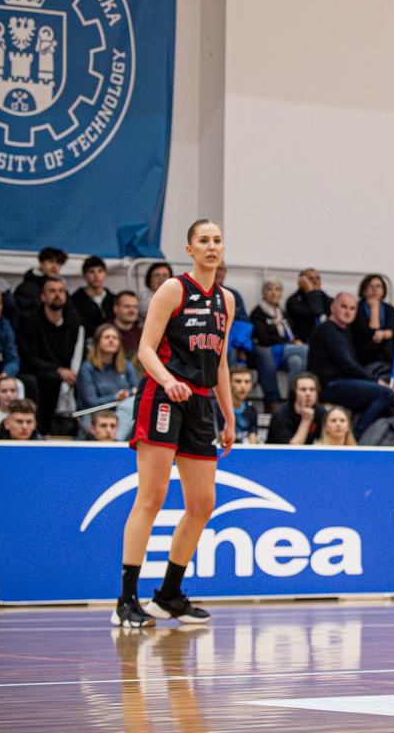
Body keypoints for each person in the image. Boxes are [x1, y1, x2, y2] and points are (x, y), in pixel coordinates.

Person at [116, 220, 237, 629]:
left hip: (201, 403)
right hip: (163, 396)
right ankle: (126, 600)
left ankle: (168, 595)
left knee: (202, 505)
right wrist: (168, 380)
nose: (212, 246)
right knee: (151, 498)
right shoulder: (173, 289)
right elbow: (145, 349)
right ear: (190, 249)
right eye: (204, 240)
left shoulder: (226, 300)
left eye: (217, 240)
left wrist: (229, 415)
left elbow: (220, 363)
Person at [307, 294, 394, 439]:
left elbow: (355, 361)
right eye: (343, 307)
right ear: (332, 308)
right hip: (329, 385)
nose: (348, 312)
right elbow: (349, 365)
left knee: (390, 397)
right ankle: (354, 438)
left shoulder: (344, 331)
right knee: (386, 393)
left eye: (352, 308)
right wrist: (377, 382)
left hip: (340, 383)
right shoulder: (328, 330)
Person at [17, 276, 83, 435]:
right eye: (52, 291)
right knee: (50, 379)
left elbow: (77, 352)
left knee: (83, 378)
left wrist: (71, 372)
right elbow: (29, 357)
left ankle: (78, 430)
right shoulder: (31, 320)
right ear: (43, 297)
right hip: (37, 371)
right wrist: (58, 370)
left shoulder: (73, 321)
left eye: (61, 291)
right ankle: (43, 431)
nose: (57, 295)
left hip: (66, 372)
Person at [248, 277, 309, 408]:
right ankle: (274, 401)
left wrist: (292, 341)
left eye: (277, 289)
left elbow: (291, 332)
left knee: (296, 361)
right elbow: (264, 338)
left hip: (283, 349)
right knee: (304, 349)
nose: (274, 293)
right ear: (263, 292)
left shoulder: (282, 312)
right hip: (267, 349)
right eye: (270, 289)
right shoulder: (258, 312)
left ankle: (294, 400)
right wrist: (290, 342)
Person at [76, 323, 141, 440]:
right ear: (97, 342)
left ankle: (117, 440)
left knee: (129, 406)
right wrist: (116, 397)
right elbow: (91, 402)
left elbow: (138, 391)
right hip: (94, 414)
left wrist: (128, 393)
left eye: (115, 338)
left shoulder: (125, 365)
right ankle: (116, 442)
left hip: (122, 415)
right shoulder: (87, 368)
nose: (111, 340)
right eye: (107, 337)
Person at [351, 274, 394, 371]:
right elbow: (367, 332)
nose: (375, 289)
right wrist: (374, 308)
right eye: (371, 286)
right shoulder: (356, 308)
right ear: (364, 290)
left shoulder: (389, 309)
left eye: (378, 286)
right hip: (364, 351)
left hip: (385, 352)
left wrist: (382, 334)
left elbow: (391, 331)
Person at [266, 373, 324, 445]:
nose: (308, 394)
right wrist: (306, 420)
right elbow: (291, 449)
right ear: (294, 392)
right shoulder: (281, 413)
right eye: (303, 389)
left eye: (312, 390)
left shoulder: (321, 412)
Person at [69, 256, 117, 335]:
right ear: (84, 276)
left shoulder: (114, 299)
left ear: (105, 274)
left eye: (100, 271)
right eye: (91, 272)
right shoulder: (75, 300)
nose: (96, 275)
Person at [12, 246, 66, 316]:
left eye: (58, 263)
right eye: (50, 262)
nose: (54, 267)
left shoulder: (61, 288)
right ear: (41, 263)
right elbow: (21, 315)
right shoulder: (26, 288)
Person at [286, 269, 331, 343]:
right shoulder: (295, 301)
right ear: (302, 282)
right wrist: (310, 292)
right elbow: (316, 311)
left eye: (317, 278)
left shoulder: (324, 298)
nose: (315, 281)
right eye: (310, 279)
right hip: (304, 341)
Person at [227, 366, 259, 444]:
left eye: (247, 382)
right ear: (228, 383)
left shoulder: (251, 409)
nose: (243, 386)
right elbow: (223, 439)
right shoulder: (219, 408)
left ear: (251, 386)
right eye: (238, 381)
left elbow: (253, 440)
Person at [112, 291, 144, 361]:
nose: (132, 310)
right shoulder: (106, 332)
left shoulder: (142, 333)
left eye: (135, 307)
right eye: (127, 306)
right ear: (116, 308)